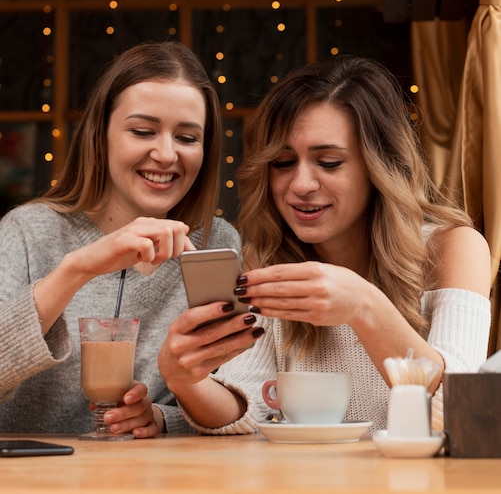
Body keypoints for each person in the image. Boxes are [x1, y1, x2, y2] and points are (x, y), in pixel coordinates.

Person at [159, 54, 492, 434]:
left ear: (378, 165)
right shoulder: (266, 257)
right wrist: (185, 381)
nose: (300, 185)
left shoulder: (452, 249)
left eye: (329, 162)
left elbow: (464, 413)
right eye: (283, 162)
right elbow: (247, 411)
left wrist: (364, 307)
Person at [0, 40, 255, 437]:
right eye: (142, 131)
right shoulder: (28, 231)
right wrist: (78, 268)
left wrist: (160, 418)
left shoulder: (215, 245)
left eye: (187, 138)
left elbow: (238, 396)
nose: (167, 154)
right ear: (101, 134)